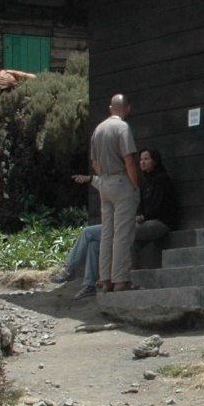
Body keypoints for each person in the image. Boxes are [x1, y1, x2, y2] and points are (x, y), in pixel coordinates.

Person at [56, 148, 179, 292]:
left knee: (90, 233)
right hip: (130, 222)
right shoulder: (141, 181)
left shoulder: (161, 180)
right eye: (141, 160)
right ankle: (89, 284)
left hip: (158, 222)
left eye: (146, 159)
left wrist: (142, 217)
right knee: (95, 243)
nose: (142, 162)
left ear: (155, 161)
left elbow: (158, 206)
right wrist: (91, 179)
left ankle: (71, 270)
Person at [78, 94, 141, 298]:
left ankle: (105, 280)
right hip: (121, 181)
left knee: (107, 233)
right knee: (123, 232)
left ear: (110, 108)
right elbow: (129, 160)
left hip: (104, 183)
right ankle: (121, 279)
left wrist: (104, 178)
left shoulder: (98, 130)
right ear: (127, 108)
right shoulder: (122, 128)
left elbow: (94, 163)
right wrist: (134, 185)